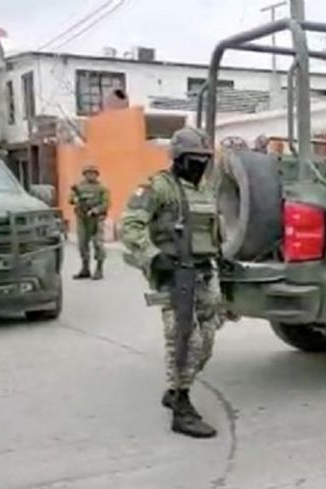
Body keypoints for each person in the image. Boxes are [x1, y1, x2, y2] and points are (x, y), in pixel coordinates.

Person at [120, 126, 223, 439]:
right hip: (175, 275)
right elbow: (131, 225)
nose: (200, 164)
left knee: (205, 342)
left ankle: (177, 387)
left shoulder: (205, 190)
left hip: (205, 273)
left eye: (205, 158)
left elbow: (212, 229)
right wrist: (153, 257)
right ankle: (181, 406)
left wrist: (222, 254)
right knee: (182, 339)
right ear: (178, 159)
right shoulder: (158, 187)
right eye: (194, 158)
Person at [68, 163, 109, 280]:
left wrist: (95, 210)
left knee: (98, 244)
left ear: (97, 175)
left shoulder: (102, 188)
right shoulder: (79, 187)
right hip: (82, 219)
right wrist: (76, 199)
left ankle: (99, 269)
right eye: (87, 173)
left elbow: (106, 204)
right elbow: (70, 199)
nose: (90, 175)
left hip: (96, 220)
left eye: (92, 173)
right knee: (82, 244)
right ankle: (85, 268)